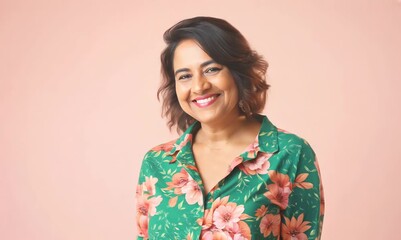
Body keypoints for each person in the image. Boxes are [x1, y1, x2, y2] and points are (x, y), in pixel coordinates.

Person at [135, 16, 324, 240]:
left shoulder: (290, 153)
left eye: (211, 69)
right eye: (185, 76)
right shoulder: (157, 163)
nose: (199, 86)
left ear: (238, 73)